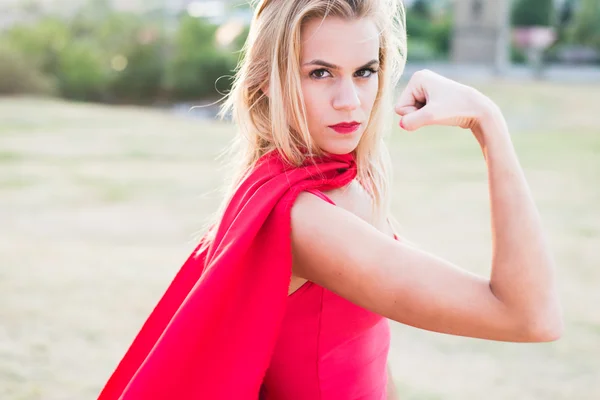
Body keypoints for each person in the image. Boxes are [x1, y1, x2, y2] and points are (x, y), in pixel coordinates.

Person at [99, 1, 563, 399]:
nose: (349, 101)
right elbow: (530, 316)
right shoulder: (304, 218)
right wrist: (488, 124)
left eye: (365, 72)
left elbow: (371, 366)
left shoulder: (334, 185)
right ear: (266, 81)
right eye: (320, 73)